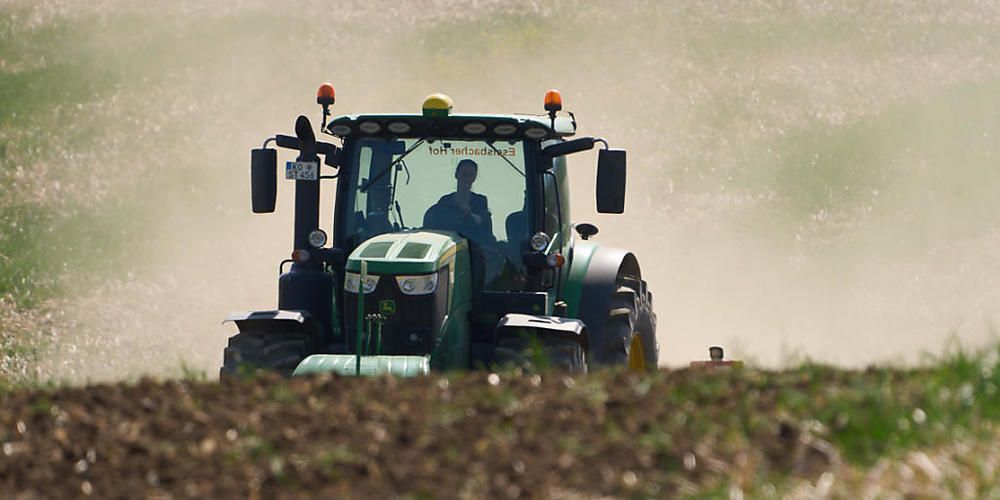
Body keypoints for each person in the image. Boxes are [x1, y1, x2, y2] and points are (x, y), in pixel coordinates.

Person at [424, 159, 496, 244]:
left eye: (470, 175)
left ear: (474, 178)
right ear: (456, 175)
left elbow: (483, 227)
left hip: (472, 247)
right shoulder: (445, 200)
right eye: (464, 174)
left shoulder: (480, 201)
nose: (466, 178)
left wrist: (469, 215)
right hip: (448, 245)